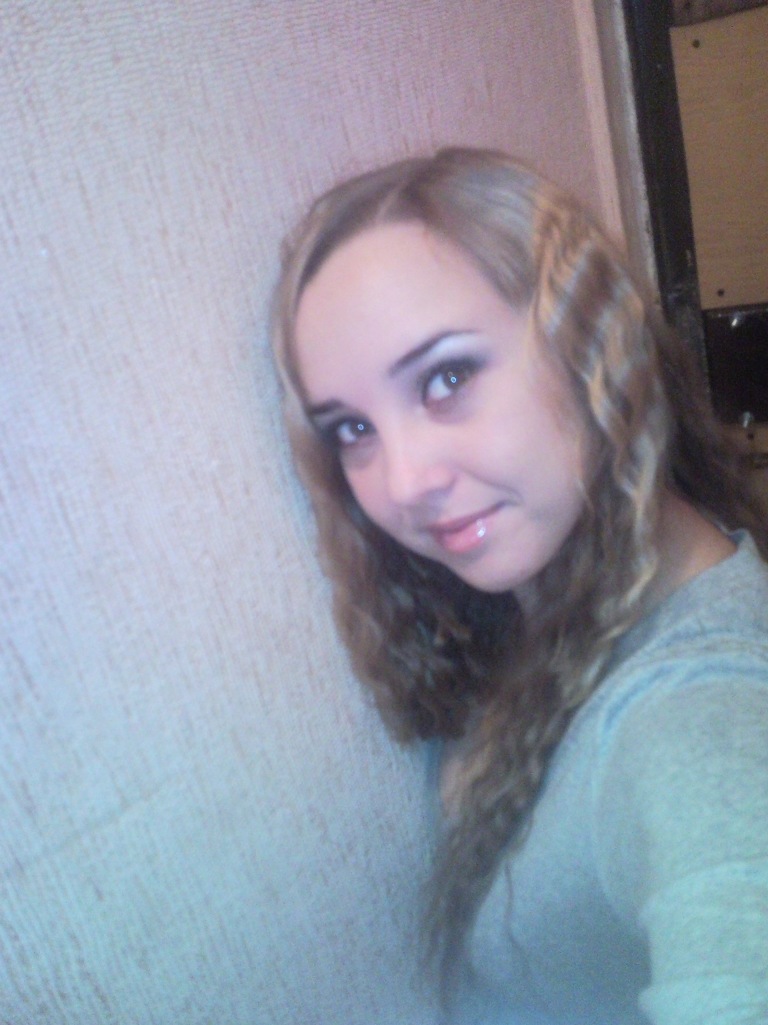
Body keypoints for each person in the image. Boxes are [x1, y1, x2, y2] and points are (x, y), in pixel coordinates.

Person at [271, 147, 768, 1023]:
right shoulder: (528, 596)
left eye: (447, 377)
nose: (402, 482)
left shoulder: (704, 709)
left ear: (592, 338)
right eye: (351, 429)